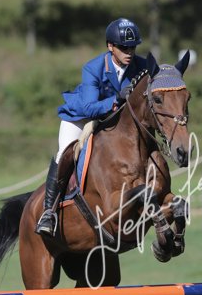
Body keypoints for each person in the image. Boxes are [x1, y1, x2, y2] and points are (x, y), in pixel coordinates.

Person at [35, 17, 148, 236]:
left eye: (133, 47)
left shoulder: (141, 66)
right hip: (81, 117)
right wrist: (117, 99)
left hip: (113, 119)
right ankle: (48, 212)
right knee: (65, 153)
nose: (129, 52)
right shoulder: (93, 68)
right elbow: (89, 108)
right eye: (124, 47)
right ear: (110, 46)